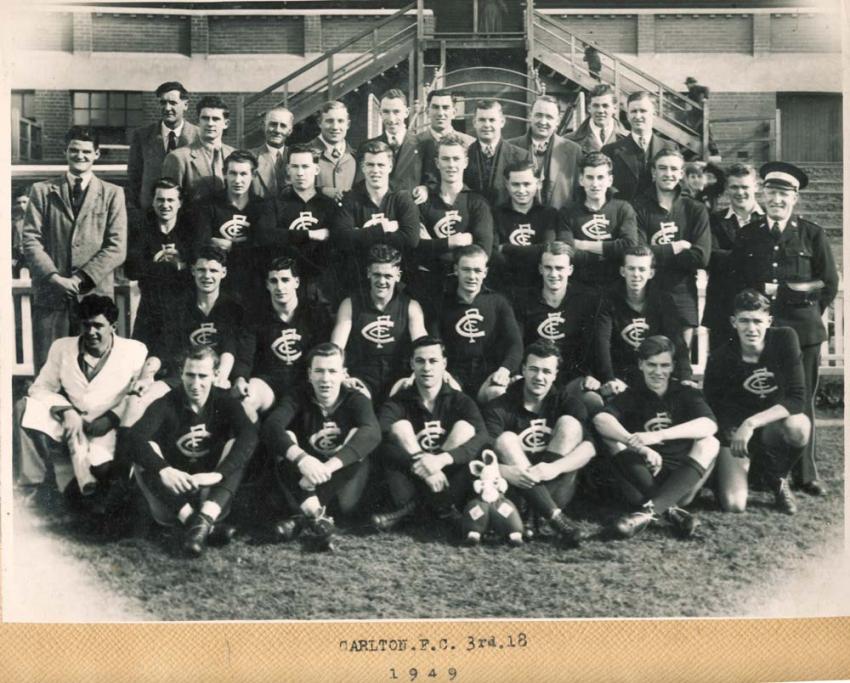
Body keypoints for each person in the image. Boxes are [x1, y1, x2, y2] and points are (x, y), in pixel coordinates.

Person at [730, 161, 838, 496]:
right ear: (763, 195)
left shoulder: (811, 233)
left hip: (803, 333)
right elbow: (739, 283)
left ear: (795, 200)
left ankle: (805, 475)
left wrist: (797, 304)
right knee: (764, 397)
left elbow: (828, 284)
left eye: (784, 195)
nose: (777, 200)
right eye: (772, 193)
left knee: (801, 400)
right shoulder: (749, 234)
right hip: (762, 336)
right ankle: (766, 471)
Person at [17, 296, 149, 511]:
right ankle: (36, 488)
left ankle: (91, 493)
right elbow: (39, 388)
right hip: (72, 422)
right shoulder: (61, 347)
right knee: (24, 408)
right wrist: (67, 411)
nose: (91, 332)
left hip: (109, 427)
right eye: (86, 325)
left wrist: (112, 417)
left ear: (113, 327)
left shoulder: (134, 351)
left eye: (98, 326)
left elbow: (141, 395)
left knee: (102, 478)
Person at [127, 345, 259, 557]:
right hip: (172, 497)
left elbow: (249, 435)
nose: (195, 384)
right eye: (190, 375)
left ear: (215, 375)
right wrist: (165, 470)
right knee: (146, 450)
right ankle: (196, 523)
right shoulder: (166, 403)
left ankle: (203, 519)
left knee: (237, 446)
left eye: (202, 376)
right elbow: (133, 438)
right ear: (181, 373)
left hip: (212, 494)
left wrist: (218, 473)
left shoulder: (226, 402)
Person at [22, 126, 128, 371]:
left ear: (97, 154)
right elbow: (30, 239)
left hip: (94, 296)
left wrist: (80, 278)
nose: (80, 156)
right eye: (74, 150)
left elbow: (117, 246)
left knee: (95, 367)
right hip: (52, 295)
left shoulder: (113, 194)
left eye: (86, 152)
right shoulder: (42, 191)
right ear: (65, 151)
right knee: (51, 365)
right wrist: (55, 277)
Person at [593, 335, 719, 539]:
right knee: (611, 437)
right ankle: (670, 512)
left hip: (681, 481)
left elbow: (710, 424)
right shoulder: (632, 394)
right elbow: (601, 419)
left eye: (664, 365)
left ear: (672, 366)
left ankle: (647, 513)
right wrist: (639, 446)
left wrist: (657, 435)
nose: (658, 372)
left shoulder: (686, 392)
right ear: (641, 364)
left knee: (710, 442)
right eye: (651, 365)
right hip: (643, 479)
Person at [261, 343, 381, 551]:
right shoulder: (298, 395)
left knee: (359, 436)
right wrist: (303, 459)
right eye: (319, 371)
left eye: (332, 371)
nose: (325, 379)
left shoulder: (355, 397)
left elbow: (372, 433)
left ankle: (303, 519)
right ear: (309, 374)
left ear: (343, 374)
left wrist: (328, 468)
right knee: (285, 438)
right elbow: (271, 427)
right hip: (304, 479)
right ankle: (318, 518)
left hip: (336, 484)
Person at [703, 290, 809, 515]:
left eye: (757, 321)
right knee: (734, 504)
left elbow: (797, 399)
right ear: (734, 322)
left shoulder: (785, 339)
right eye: (744, 321)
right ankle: (748, 471)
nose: (751, 328)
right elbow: (713, 406)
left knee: (798, 426)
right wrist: (732, 432)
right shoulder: (720, 357)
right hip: (737, 433)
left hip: (771, 426)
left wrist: (751, 423)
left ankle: (778, 478)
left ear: (769, 321)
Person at [482, 340, 595, 545]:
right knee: (506, 439)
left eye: (546, 371)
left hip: (556, 485)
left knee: (570, 424)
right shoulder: (500, 405)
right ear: (523, 369)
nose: (539, 377)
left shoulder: (567, 401)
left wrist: (553, 467)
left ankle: (534, 515)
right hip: (516, 488)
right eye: (533, 369)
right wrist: (506, 472)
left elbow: (589, 449)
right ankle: (553, 518)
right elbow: (482, 454)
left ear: (555, 374)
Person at [372, 336, 488, 531]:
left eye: (433, 361)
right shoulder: (398, 401)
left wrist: (442, 460)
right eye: (420, 361)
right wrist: (421, 464)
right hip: (412, 478)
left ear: (444, 363)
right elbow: (379, 437)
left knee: (465, 428)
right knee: (400, 428)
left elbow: (483, 436)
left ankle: (412, 511)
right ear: (412, 364)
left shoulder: (460, 400)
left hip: (447, 478)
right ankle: (441, 509)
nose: (427, 368)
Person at [232, 257, 333, 422]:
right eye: (274, 281)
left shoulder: (315, 314)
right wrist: (240, 379)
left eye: (285, 280)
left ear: (297, 282)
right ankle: (250, 442)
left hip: (305, 384)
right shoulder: (256, 317)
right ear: (267, 284)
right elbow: (245, 357)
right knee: (246, 401)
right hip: (269, 383)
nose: (279, 287)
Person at [331, 244, 427, 407]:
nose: (382, 281)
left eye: (388, 276)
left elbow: (424, 348)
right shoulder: (350, 305)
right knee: (362, 412)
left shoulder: (411, 307)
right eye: (377, 274)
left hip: (398, 379)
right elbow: (335, 349)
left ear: (398, 276)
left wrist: (413, 377)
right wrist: (342, 376)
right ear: (368, 272)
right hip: (361, 379)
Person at [633, 147, 711, 347]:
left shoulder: (695, 209)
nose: (668, 174)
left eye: (673, 169)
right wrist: (676, 247)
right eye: (662, 168)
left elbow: (701, 257)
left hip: (682, 292)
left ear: (681, 173)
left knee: (681, 360)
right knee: (648, 360)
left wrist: (655, 254)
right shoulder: (638, 208)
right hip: (647, 293)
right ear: (653, 172)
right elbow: (637, 253)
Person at [593, 246, 694, 400]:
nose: (636, 275)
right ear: (622, 271)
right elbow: (602, 342)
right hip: (621, 376)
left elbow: (677, 341)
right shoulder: (608, 300)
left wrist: (685, 376)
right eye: (631, 269)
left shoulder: (663, 300)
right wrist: (609, 378)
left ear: (651, 273)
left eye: (641, 269)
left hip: (655, 374)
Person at [513, 242, 603, 407]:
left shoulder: (586, 301)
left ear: (570, 270)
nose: (553, 274)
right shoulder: (524, 301)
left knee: (593, 401)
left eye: (560, 268)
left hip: (572, 377)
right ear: (540, 269)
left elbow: (593, 344)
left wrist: (591, 374)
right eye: (548, 267)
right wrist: (518, 372)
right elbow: (517, 343)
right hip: (536, 376)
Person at [414, 135, 494, 314]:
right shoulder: (424, 202)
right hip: (428, 287)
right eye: (445, 158)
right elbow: (416, 248)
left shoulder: (477, 202)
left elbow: (483, 251)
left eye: (456, 158)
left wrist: (433, 247)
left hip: (466, 290)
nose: (451, 165)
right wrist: (453, 242)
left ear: (465, 162)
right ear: (437, 162)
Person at [433, 244, 523, 403]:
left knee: (497, 392)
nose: (472, 276)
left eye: (477, 270)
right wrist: (442, 372)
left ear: (485, 272)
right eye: (466, 269)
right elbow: (433, 344)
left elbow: (515, 344)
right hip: (453, 373)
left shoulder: (498, 302)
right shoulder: (441, 303)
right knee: (449, 396)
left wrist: (505, 369)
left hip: (488, 373)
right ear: (456, 270)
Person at [190, 149, 276, 312]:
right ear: (224, 174)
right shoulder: (208, 205)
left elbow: (264, 248)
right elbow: (202, 246)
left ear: (253, 175)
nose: (238, 180)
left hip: (253, 283)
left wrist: (229, 246)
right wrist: (249, 244)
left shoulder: (263, 207)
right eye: (233, 173)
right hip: (218, 286)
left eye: (244, 174)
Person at [148, 246, 242, 391]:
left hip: (219, 377)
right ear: (193, 271)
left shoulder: (232, 307)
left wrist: (221, 377)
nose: (207, 276)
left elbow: (230, 347)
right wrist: (146, 375)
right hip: (185, 376)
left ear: (223, 273)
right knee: (146, 394)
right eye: (201, 270)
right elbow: (163, 346)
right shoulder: (179, 307)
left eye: (213, 271)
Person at [333, 140, 419, 298]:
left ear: (390, 167)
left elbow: (411, 240)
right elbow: (342, 238)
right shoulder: (351, 198)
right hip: (359, 278)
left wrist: (361, 233)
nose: (375, 170)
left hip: (397, 281)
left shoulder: (402, 198)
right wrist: (384, 229)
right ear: (363, 167)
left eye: (381, 165)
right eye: (370, 165)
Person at [124, 179, 198, 351]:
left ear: (180, 203)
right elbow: (132, 270)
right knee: (141, 353)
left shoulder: (189, 229)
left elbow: (196, 264)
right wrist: (171, 264)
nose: (165, 205)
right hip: (151, 304)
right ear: (153, 201)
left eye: (171, 200)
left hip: (184, 303)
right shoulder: (142, 229)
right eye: (160, 200)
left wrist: (176, 263)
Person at [261, 143, 338, 303]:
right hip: (286, 284)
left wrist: (288, 237)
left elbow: (337, 239)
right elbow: (266, 235)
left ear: (316, 169)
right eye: (295, 167)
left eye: (305, 166)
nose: (300, 173)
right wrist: (309, 234)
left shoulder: (329, 206)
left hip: (321, 284)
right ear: (288, 169)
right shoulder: (274, 204)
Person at [702, 163, 764, 351]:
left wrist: (733, 257)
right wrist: (753, 257)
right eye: (734, 187)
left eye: (745, 187)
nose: (740, 192)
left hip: (760, 308)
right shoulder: (713, 220)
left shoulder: (769, 220)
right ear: (727, 188)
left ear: (756, 187)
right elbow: (711, 257)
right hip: (723, 306)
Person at [556, 151, 638, 293]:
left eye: (600, 177)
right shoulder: (567, 212)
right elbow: (567, 252)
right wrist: (611, 251)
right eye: (590, 177)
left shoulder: (623, 208)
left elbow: (629, 246)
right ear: (581, 180)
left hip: (616, 285)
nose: (595, 184)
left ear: (610, 180)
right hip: (580, 286)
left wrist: (581, 244)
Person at [127, 81, 199, 214]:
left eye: (173, 103)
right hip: (151, 211)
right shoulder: (142, 136)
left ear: (186, 105)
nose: (167, 108)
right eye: (163, 102)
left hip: (189, 213)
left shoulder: (198, 137)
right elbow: (134, 176)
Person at [490, 160, 559, 295]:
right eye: (515, 184)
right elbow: (494, 255)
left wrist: (506, 248)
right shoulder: (495, 214)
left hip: (540, 288)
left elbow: (548, 250)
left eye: (527, 184)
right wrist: (535, 250)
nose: (521, 190)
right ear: (507, 185)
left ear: (538, 184)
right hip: (507, 287)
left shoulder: (550, 214)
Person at [506, 95, 582, 209]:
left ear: (557, 121)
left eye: (549, 117)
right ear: (530, 115)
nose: (543, 121)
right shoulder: (509, 148)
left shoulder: (573, 151)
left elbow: (578, 194)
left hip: (559, 222)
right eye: (539, 115)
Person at [601, 91, 677, 202]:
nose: (637, 116)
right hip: (625, 215)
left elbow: (679, 188)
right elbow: (605, 189)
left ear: (654, 114)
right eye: (633, 111)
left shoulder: (670, 148)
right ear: (627, 115)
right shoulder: (610, 151)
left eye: (643, 111)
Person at [161, 95, 235, 204]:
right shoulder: (178, 158)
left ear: (226, 124)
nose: (210, 123)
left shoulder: (234, 155)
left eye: (215, 119)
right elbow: (170, 201)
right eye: (205, 118)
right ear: (198, 121)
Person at [464, 99, 531, 208]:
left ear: (502, 122)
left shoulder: (521, 157)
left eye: (492, 120)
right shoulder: (464, 155)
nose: (487, 125)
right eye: (481, 120)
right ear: (474, 123)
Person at [366, 89, 423, 195]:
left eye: (396, 112)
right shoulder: (367, 147)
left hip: (411, 208)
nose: (391, 119)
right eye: (386, 112)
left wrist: (426, 189)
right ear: (380, 113)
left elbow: (430, 180)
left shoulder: (421, 145)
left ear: (406, 112)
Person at [416, 89, 475, 190]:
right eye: (435, 107)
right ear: (427, 111)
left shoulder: (469, 143)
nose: (440, 113)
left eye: (445, 107)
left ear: (454, 112)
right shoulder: (414, 143)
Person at [310, 100, 359, 201]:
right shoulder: (304, 153)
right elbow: (289, 189)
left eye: (340, 121)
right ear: (319, 123)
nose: (335, 127)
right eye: (329, 121)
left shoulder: (356, 156)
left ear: (348, 124)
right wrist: (322, 191)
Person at [566, 84, 627, 155]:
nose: (600, 110)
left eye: (605, 106)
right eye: (596, 106)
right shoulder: (569, 141)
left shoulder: (629, 140)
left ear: (615, 108)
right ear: (589, 108)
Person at [249, 106, 294, 198]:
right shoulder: (250, 157)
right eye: (273, 124)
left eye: (283, 126)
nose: (277, 130)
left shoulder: (296, 157)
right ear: (263, 126)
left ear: (290, 131)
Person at [12, 186, 29, 277]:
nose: (21, 205)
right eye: (18, 203)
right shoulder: (17, 223)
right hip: (21, 258)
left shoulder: (41, 220)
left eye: (24, 202)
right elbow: (15, 243)